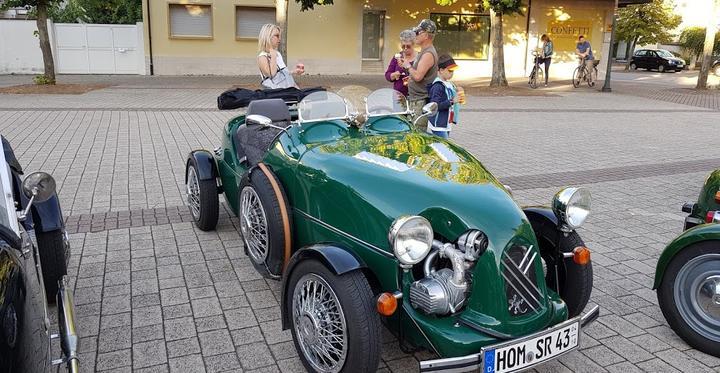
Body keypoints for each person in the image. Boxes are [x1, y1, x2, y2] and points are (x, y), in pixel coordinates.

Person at [405, 19, 438, 133]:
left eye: (418, 32)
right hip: (415, 100)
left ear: (425, 35)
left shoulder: (428, 54)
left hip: (420, 101)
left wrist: (407, 66)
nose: (415, 35)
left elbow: (418, 76)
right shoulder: (424, 52)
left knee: (416, 134)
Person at [257, 24, 304, 89]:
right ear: (267, 37)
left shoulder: (278, 54)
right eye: (277, 36)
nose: (279, 39)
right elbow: (272, 75)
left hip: (289, 90)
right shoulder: (262, 57)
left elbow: (281, 75)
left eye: (280, 36)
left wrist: (294, 71)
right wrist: (273, 56)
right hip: (277, 94)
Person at [427, 54, 460, 139]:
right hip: (439, 124)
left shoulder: (449, 84)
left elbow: (449, 95)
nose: (452, 73)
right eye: (450, 71)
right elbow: (435, 106)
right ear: (441, 70)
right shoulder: (438, 86)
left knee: (442, 146)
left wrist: (456, 91)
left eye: (453, 71)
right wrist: (452, 101)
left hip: (446, 123)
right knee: (444, 146)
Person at [384, 29, 417, 96]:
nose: (405, 48)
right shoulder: (397, 57)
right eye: (403, 46)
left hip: (415, 96)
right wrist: (393, 75)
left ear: (413, 44)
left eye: (408, 46)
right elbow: (387, 74)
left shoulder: (419, 58)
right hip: (398, 96)